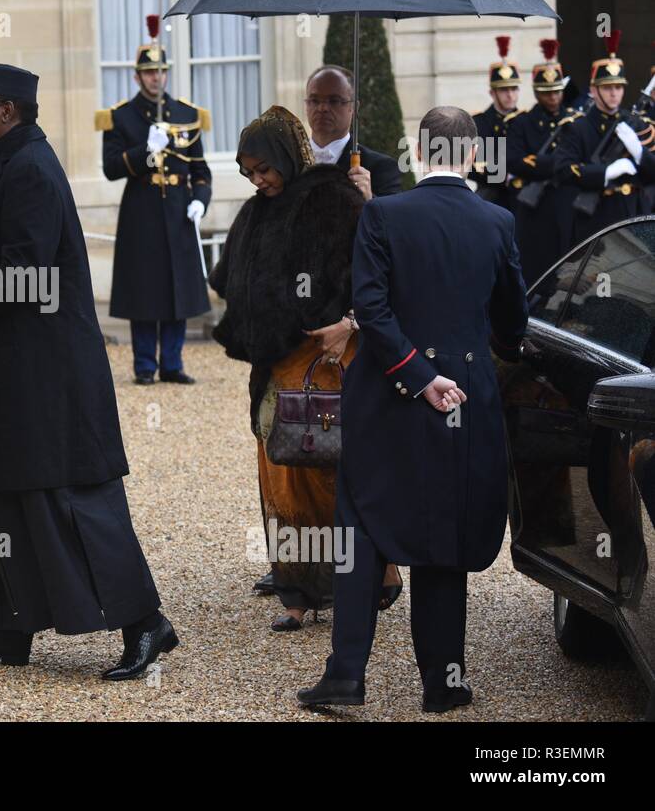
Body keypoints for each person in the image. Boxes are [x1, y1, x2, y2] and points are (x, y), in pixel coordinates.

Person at [0, 63, 176, 680]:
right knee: (6, 495)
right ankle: (8, 626)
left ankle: (145, 623)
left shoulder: (28, 170)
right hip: (10, 366)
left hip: (46, 372)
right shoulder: (5, 162)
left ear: (10, 110)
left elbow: (25, 275)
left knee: (71, 498)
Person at [298, 106, 529, 714]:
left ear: (419, 153)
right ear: (474, 155)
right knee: (446, 532)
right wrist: (477, 355)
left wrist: (417, 376)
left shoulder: (382, 214)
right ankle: (444, 683)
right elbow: (513, 324)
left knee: (363, 530)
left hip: (387, 399)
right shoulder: (498, 221)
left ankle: (346, 679)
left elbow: (370, 311)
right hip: (465, 401)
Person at [209, 106, 392, 631]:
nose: (257, 179)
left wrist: (349, 324)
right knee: (280, 478)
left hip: (325, 361)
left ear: (286, 158)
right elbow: (226, 279)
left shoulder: (335, 199)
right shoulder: (254, 211)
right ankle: (296, 592)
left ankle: (370, 576)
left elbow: (371, 275)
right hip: (273, 366)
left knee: (329, 475)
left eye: (263, 168)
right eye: (248, 172)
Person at [99, 26, 212, 385]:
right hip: (142, 213)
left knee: (178, 288)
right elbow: (112, 168)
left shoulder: (186, 114)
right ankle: (145, 365)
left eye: (161, 71)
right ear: (137, 76)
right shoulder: (121, 116)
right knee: (144, 288)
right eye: (149, 72)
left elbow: (201, 170)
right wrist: (146, 153)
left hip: (179, 210)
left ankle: (173, 363)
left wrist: (200, 201)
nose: (155, 78)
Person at [552, 31, 655, 247]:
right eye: (607, 88)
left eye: (618, 87)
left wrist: (640, 153)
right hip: (597, 217)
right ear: (593, 90)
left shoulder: (636, 124)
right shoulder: (578, 127)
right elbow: (562, 169)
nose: (614, 93)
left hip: (634, 213)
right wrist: (605, 173)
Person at [506, 39, 580, 287]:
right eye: (548, 92)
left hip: (567, 201)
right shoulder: (521, 123)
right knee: (536, 261)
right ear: (537, 92)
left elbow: (581, 161)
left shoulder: (573, 122)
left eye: (557, 91)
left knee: (570, 260)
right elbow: (514, 162)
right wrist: (558, 164)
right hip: (535, 206)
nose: (554, 97)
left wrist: (540, 163)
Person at [303, 65, 403, 200]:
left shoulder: (382, 168)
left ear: (354, 107)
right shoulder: (288, 163)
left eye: (334, 101)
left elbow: (394, 219)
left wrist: (369, 199)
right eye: (314, 100)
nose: (322, 108)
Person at [468, 35, 522, 210]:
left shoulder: (525, 121)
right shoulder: (479, 123)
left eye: (514, 89)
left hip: (521, 199)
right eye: (504, 90)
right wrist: (503, 176)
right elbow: (472, 166)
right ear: (492, 93)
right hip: (491, 199)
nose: (510, 95)